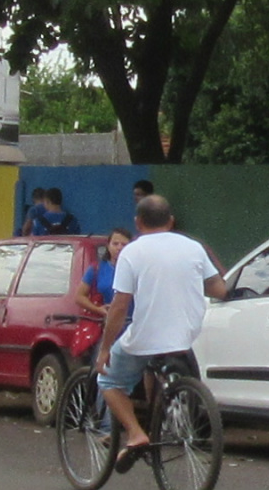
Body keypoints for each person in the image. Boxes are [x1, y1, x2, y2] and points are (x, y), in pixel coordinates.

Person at [93, 191, 228, 469]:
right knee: (155, 371)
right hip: (185, 336)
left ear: (138, 222)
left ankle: (135, 433)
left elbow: (119, 307)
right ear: (171, 220)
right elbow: (219, 289)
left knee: (108, 381)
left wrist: (105, 348)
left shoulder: (132, 251)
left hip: (146, 337)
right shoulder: (193, 247)